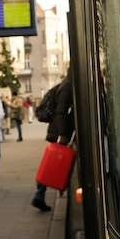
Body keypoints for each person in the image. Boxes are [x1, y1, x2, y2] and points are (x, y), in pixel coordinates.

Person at [32, 73, 74, 212]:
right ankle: (39, 195)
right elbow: (61, 112)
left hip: (58, 131)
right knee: (52, 164)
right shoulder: (68, 86)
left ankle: (43, 194)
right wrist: (62, 134)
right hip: (60, 132)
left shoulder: (66, 84)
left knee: (54, 163)